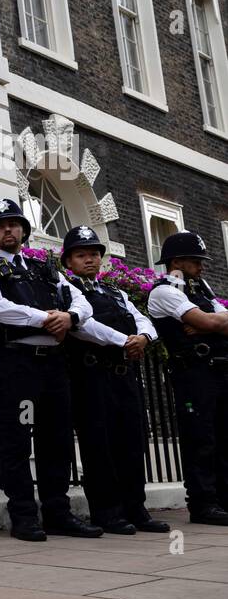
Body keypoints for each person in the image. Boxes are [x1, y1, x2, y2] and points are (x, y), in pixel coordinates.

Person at [0, 198, 100, 541]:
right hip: (16, 363)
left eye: (13, 224)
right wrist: (45, 318)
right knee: (16, 441)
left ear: (24, 231)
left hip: (53, 364)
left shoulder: (45, 269)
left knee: (56, 440)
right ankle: (24, 515)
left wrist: (70, 317)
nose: (8, 229)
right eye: (0, 226)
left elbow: (81, 300)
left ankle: (58, 512)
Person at [60, 225, 169, 534]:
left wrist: (144, 338)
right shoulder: (67, 289)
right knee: (100, 445)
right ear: (69, 261)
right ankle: (107, 512)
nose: (90, 260)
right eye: (81, 255)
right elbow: (83, 326)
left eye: (94, 254)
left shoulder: (116, 292)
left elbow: (143, 319)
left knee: (133, 443)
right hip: (92, 377)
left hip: (125, 377)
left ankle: (136, 508)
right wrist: (125, 341)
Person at [146, 230, 228, 525]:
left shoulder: (201, 290)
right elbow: (206, 319)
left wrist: (208, 325)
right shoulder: (164, 291)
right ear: (177, 261)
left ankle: (223, 498)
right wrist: (211, 324)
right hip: (192, 373)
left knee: (222, 436)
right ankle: (203, 504)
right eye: (196, 260)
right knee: (200, 437)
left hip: (218, 369)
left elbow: (210, 321)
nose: (202, 266)